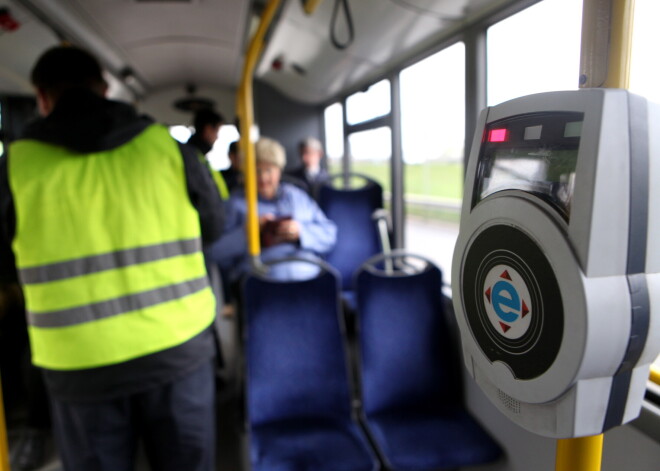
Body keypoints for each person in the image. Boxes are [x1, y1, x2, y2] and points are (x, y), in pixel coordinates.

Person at [0, 46, 224, 471]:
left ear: (41, 97)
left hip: (79, 364)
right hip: (177, 350)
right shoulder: (167, 148)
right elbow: (212, 227)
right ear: (104, 89)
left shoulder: (15, 166)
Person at [211, 137, 336, 282]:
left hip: (307, 273)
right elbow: (215, 252)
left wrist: (301, 232)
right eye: (256, 171)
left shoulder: (297, 197)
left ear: (279, 171)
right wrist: (248, 233)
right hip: (262, 278)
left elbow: (329, 235)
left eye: (269, 170)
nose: (263, 178)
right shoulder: (235, 204)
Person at [187, 108, 230, 199]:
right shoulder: (193, 159)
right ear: (208, 129)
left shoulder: (195, 155)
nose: (217, 137)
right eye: (217, 131)